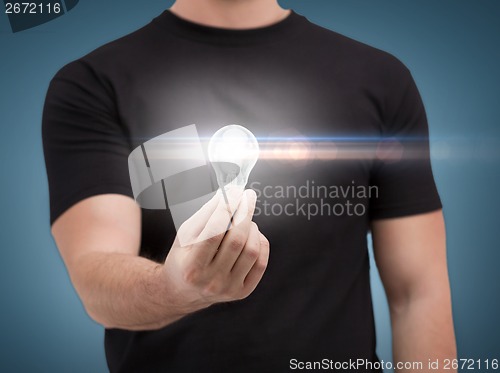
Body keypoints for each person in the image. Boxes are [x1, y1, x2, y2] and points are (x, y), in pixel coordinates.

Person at [42, 0, 457, 371]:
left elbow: (417, 292)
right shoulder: (93, 84)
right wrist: (176, 287)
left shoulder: (380, 79)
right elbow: (96, 275)